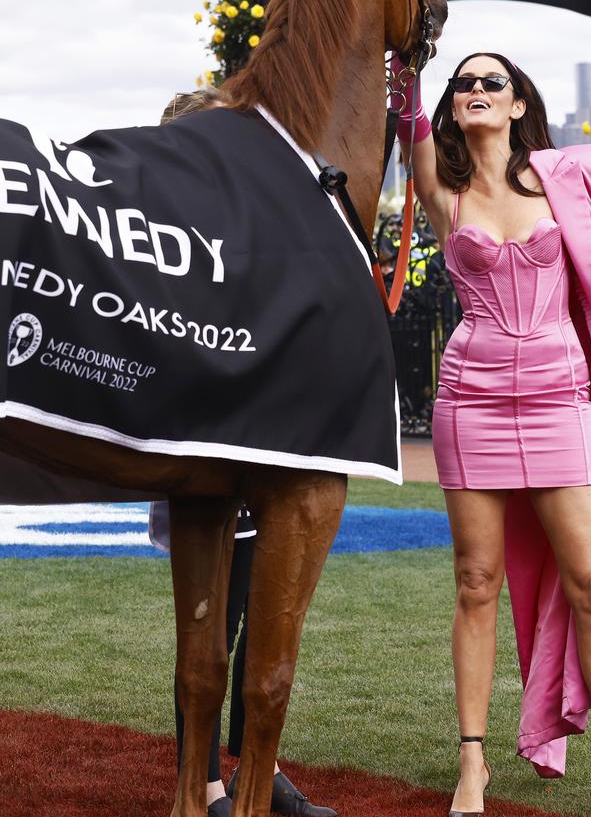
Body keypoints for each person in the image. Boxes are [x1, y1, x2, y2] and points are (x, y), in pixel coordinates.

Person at [393, 51, 591, 817]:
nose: (474, 91)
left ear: (516, 104)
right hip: (469, 402)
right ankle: (472, 764)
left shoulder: (567, 182)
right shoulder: (443, 190)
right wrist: (409, 50)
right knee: (475, 585)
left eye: (490, 83)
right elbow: (401, 109)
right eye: (463, 84)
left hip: (561, 399)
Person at [152, 88, 338, 817]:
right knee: (210, 627)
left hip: (266, 455)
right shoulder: (163, 235)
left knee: (268, 623)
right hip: (202, 463)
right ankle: (202, 784)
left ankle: (264, 768)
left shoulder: (252, 227)